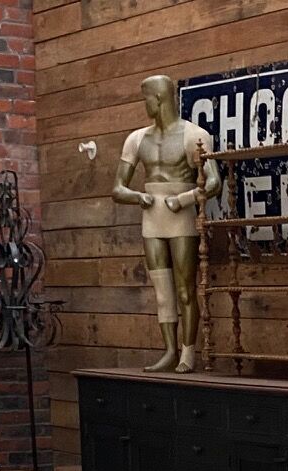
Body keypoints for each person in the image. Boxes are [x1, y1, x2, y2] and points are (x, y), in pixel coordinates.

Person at [114, 74, 220, 373]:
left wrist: (184, 200)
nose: (144, 104)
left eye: (145, 98)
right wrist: (137, 197)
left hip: (180, 215)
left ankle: (188, 352)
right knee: (162, 291)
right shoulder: (136, 139)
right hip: (152, 216)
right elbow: (117, 189)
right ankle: (169, 350)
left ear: (158, 99)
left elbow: (214, 183)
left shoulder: (193, 135)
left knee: (185, 288)